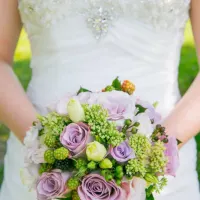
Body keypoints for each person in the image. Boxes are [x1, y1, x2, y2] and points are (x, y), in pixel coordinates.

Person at [0, 0, 200, 199]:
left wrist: (152, 153)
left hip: (164, 146)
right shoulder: (44, 149)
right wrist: (45, 147)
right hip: (37, 150)